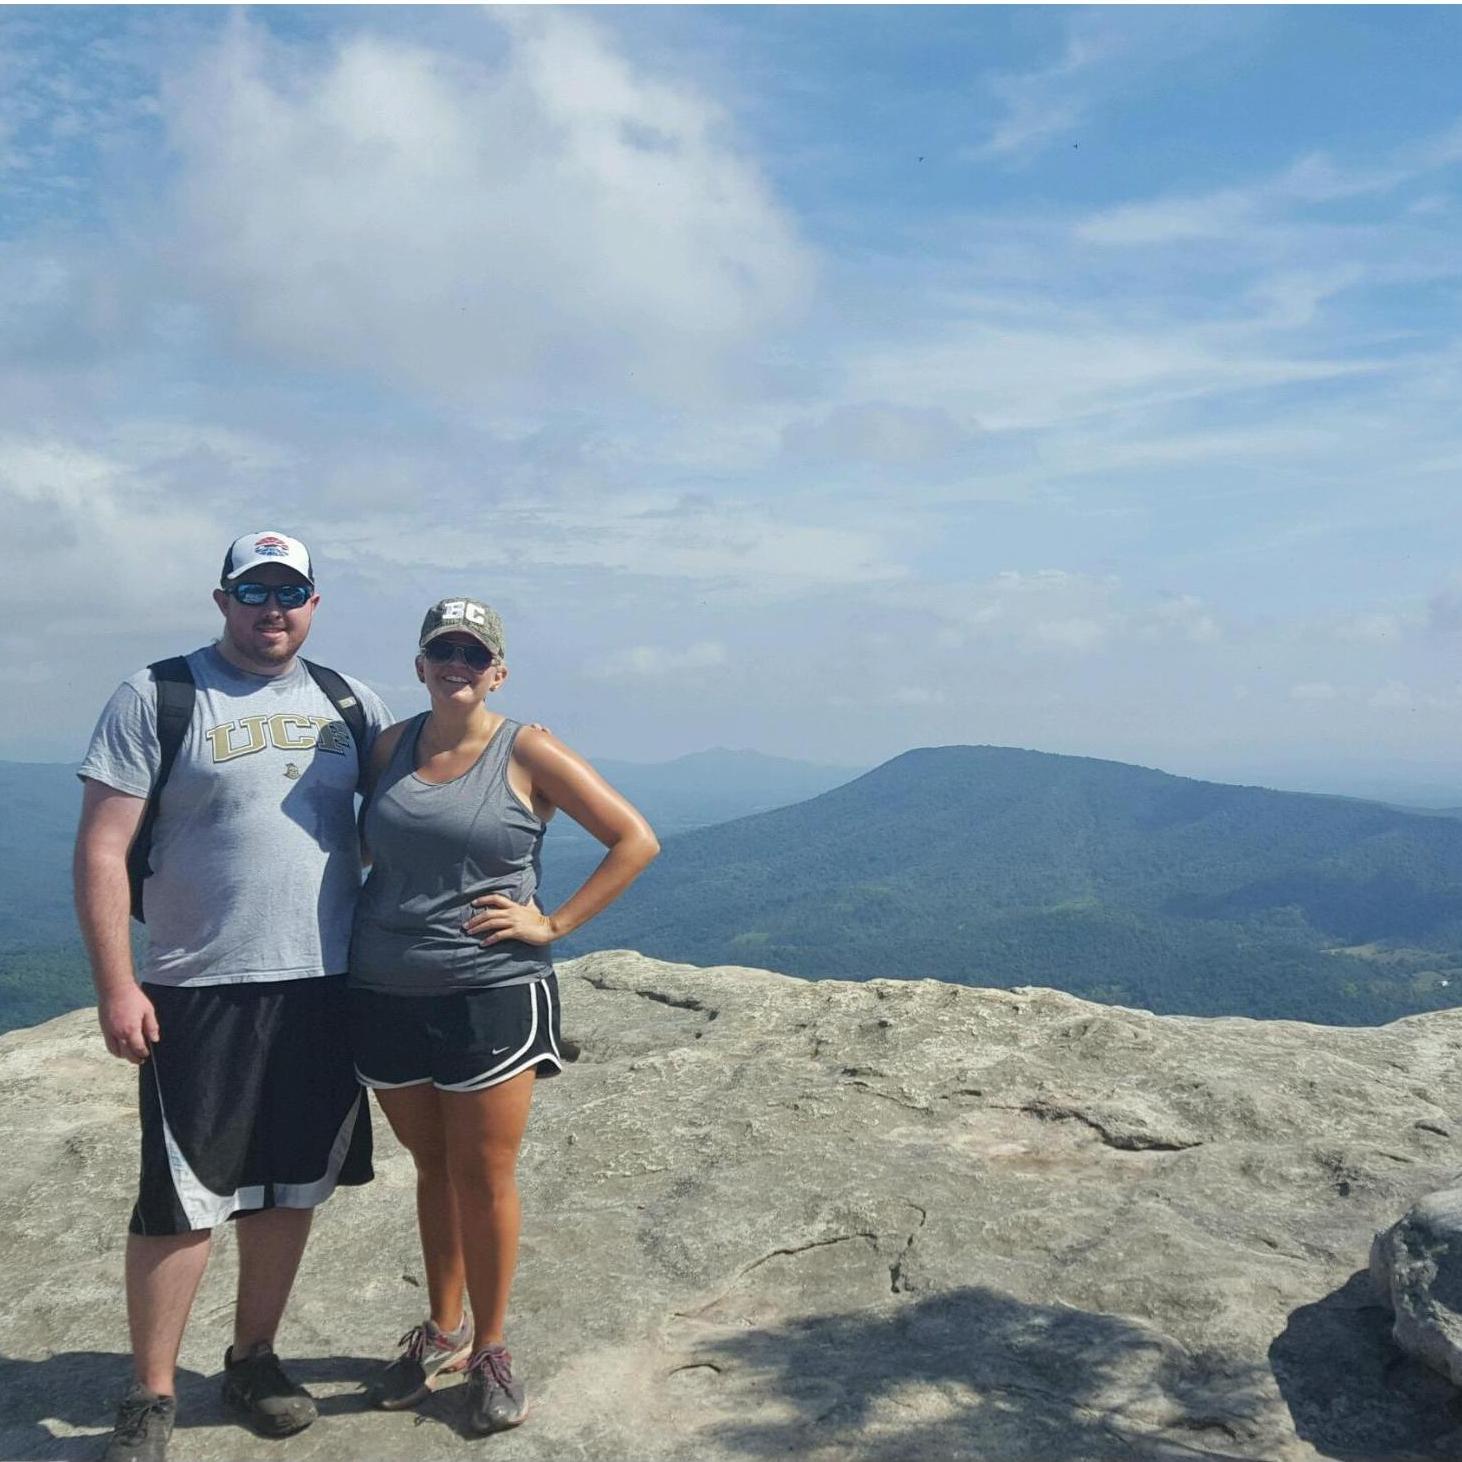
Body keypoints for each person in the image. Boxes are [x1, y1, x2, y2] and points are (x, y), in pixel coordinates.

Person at [74, 532, 392, 1462]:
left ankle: (252, 1359)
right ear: (223, 600)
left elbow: (401, 821)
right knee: (180, 1201)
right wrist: (115, 984)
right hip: (197, 986)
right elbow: (101, 848)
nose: (273, 609)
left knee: (290, 1187)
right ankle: (152, 1395)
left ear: (314, 604)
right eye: (254, 591)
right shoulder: (160, 694)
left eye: (290, 592)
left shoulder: (350, 703)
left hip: (324, 985)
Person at [349, 595, 659, 1434]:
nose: (458, 664)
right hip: (384, 988)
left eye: (474, 654)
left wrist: (551, 924)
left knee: (483, 1174)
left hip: (491, 991)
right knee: (432, 1166)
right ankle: (440, 1330)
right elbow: (372, 849)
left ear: (498, 672)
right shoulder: (388, 747)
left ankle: (489, 1347)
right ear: (419, 664)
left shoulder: (529, 749)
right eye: (442, 650)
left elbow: (634, 838)